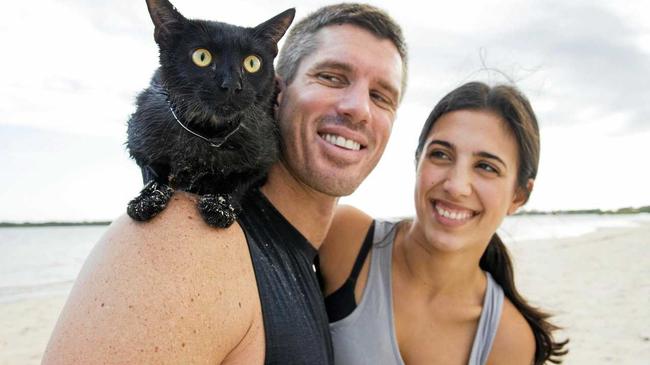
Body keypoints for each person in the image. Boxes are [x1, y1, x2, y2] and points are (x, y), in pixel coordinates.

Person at [42, 4, 407, 364]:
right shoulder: (184, 240)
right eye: (331, 77)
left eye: (381, 97)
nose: (359, 108)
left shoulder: (319, 254)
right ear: (276, 91)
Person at [318, 82, 569, 365]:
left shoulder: (507, 339)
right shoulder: (345, 239)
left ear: (518, 196)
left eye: (486, 167)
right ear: (418, 162)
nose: (456, 185)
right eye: (440, 154)